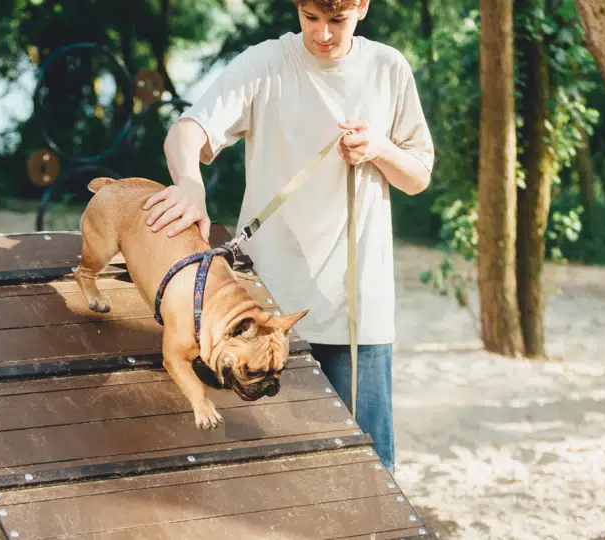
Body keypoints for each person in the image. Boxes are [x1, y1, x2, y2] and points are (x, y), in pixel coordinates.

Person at [142, 0, 435, 473]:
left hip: (359, 311)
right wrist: (190, 185)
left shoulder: (388, 67)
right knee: (268, 477)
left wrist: (379, 147)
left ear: (361, 6)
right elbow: (186, 130)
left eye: (336, 21)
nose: (321, 34)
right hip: (260, 313)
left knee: (370, 472)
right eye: (310, 18)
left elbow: (418, 176)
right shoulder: (266, 64)